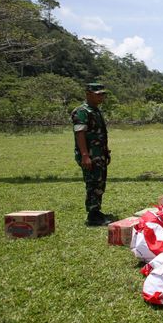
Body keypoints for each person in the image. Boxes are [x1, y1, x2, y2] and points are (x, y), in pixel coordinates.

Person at [71, 83, 113, 226]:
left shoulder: (95, 110)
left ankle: (96, 211)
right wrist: (84, 155)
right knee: (92, 183)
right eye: (98, 94)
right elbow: (80, 134)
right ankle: (93, 216)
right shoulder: (82, 111)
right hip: (89, 155)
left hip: (99, 154)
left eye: (103, 94)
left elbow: (100, 134)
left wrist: (105, 150)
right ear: (88, 94)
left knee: (100, 182)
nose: (102, 97)